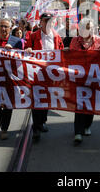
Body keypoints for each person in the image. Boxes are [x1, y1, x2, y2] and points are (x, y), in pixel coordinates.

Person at [25, 13, 64, 141]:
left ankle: (42, 122)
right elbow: (26, 48)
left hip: (51, 75)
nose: (48, 23)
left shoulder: (57, 37)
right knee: (37, 99)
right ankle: (36, 127)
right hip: (36, 74)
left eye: (50, 21)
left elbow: (62, 52)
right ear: (40, 22)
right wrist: (28, 49)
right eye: (45, 20)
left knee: (47, 99)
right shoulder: (33, 36)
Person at [68, 18, 100, 145]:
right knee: (79, 104)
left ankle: (87, 125)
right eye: (84, 27)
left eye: (89, 27)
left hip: (93, 79)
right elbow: (71, 56)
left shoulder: (99, 41)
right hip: (78, 78)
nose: (86, 29)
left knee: (90, 103)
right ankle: (78, 132)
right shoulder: (74, 40)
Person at [0, 18, 24, 140]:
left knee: (8, 102)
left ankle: (4, 129)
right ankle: (0, 115)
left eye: (6, 27)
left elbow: (22, 57)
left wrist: (14, 51)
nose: (3, 29)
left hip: (10, 77)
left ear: (10, 29)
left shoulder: (17, 41)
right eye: (1, 26)